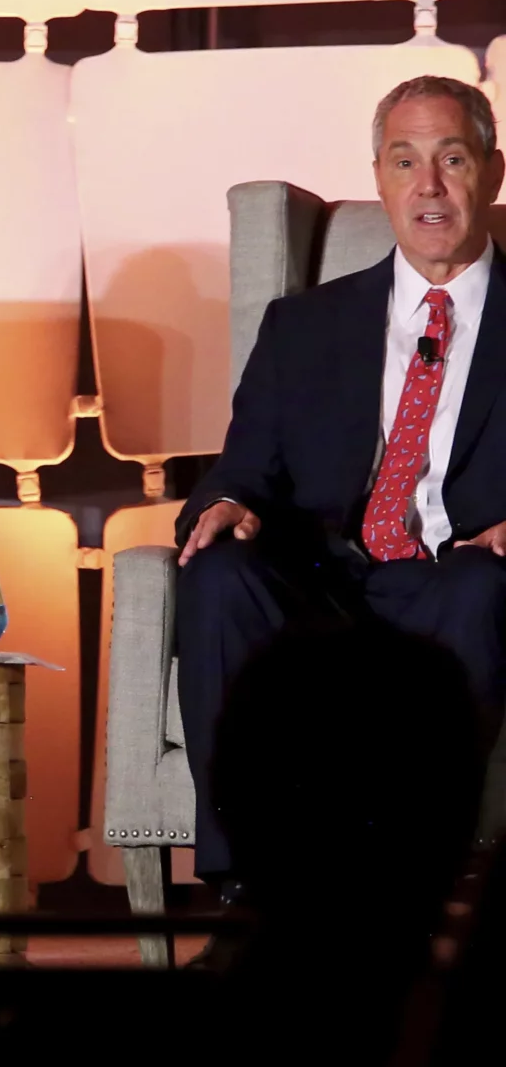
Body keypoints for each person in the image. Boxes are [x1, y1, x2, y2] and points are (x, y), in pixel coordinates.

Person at [175, 74, 506, 890]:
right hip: (320, 581)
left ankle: (411, 881)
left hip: (448, 576)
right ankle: (242, 884)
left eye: (451, 159)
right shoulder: (306, 324)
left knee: (482, 589)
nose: (427, 187)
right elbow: (243, 464)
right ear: (380, 180)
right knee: (216, 573)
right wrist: (224, 505)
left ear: (492, 173)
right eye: (404, 162)